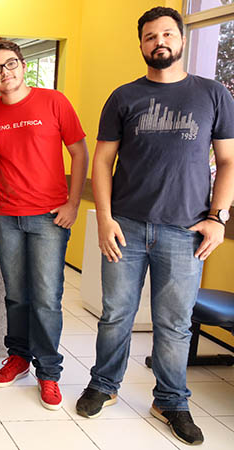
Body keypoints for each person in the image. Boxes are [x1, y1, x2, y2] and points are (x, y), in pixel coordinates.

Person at [76, 7, 234, 445]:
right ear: (141, 44)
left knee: (174, 323)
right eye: (150, 36)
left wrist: (218, 218)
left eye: (167, 33)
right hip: (125, 226)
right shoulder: (124, 97)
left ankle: (171, 400)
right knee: (116, 316)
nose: (159, 41)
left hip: (185, 232)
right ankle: (104, 386)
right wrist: (104, 219)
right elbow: (104, 161)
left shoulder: (213, 94)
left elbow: (227, 161)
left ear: (181, 40)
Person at [0, 40, 89, 410]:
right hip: (5, 215)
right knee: (16, 295)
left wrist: (73, 203)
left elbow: (78, 151)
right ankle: (19, 357)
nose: (4, 73)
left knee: (46, 298)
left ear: (23, 65)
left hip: (48, 218)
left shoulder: (54, 101)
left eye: (10, 64)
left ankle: (49, 372)